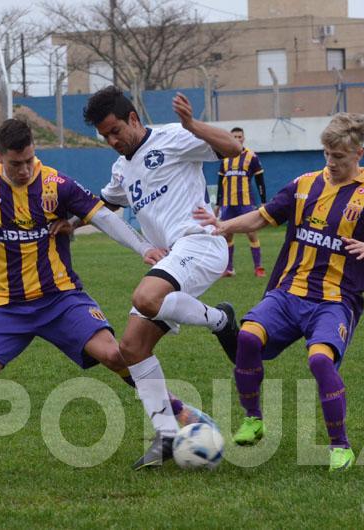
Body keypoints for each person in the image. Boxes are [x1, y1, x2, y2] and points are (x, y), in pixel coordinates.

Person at [0, 118, 211, 489]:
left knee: (116, 355)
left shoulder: (56, 184)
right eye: (14, 164)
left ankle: (182, 412)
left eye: (28, 161)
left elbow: (102, 216)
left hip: (61, 300)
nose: (23, 170)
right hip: (5, 307)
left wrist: (143, 248)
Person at [194, 113, 364, 472]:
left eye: (339, 156)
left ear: (357, 154)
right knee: (247, 337)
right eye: (327, 154)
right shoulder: (304, 185)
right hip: (288, 292)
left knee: (320, 360)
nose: (331, 162)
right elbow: (262, 216)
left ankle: (339, 446)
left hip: (334, 301)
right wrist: (224, 224)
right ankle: (253, 418)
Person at [83, 86, 242, 469]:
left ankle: (221, 320)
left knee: (145, 297)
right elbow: (103, 203)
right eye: (105, 136)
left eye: (116, 130)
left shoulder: (174, 136)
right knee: (131, 349)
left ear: (133, 119)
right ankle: (168, 434)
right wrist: (67, 221)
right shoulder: (122, 169)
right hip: (173, 261)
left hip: (200, 244)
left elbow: (233, 149)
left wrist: (192, 124)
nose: (112, 140)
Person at [217, 127, 267, 278]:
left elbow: (260, 181)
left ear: (243, 138)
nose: (237, 139)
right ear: (230, 138)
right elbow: (220, 182)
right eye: (234, 137)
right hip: (228, 203)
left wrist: (263, 201)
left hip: (245, 203)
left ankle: (258, 267)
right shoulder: (224, 157)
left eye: (239, 136)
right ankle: (229, 268)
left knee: (251, 233)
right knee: (227, 235)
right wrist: (218, 204)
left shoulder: (251, 156)